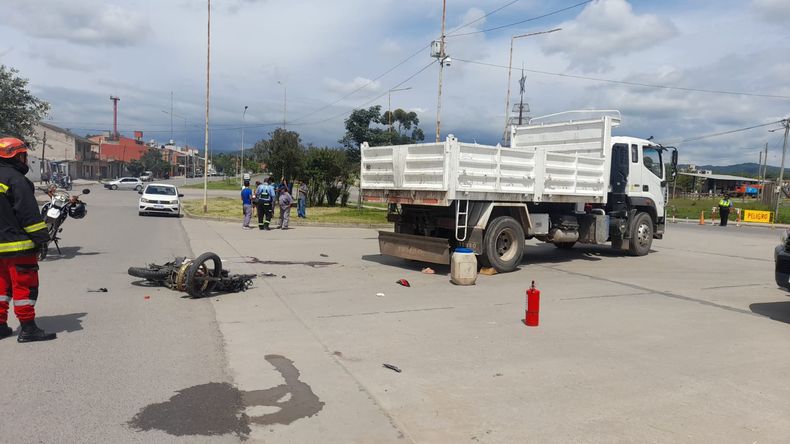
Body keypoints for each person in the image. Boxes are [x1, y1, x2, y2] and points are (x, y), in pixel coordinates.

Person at [0, 137, 56, 342]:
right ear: (16, 156)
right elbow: (28, 215)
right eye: (23, 155)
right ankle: (28, 328)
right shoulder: (17, 180)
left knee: (1, 287)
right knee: (24, 287)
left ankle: (0, 326)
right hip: (18, 247)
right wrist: (42, 239)